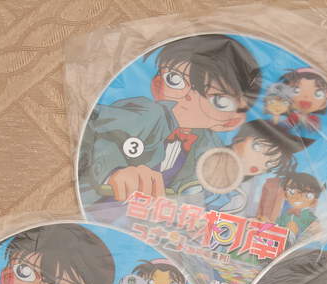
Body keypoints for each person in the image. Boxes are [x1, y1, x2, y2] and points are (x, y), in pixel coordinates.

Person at [78, 34, 262, 210]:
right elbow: (101, 130)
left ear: (230, 122)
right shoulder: (146, 113)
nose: (190, 97)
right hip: (95, 201)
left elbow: (202, 186)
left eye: (218, 100)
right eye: (175, 80)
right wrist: (114, 172)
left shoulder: (208, 145)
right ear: (157, 85)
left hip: (145, 217)